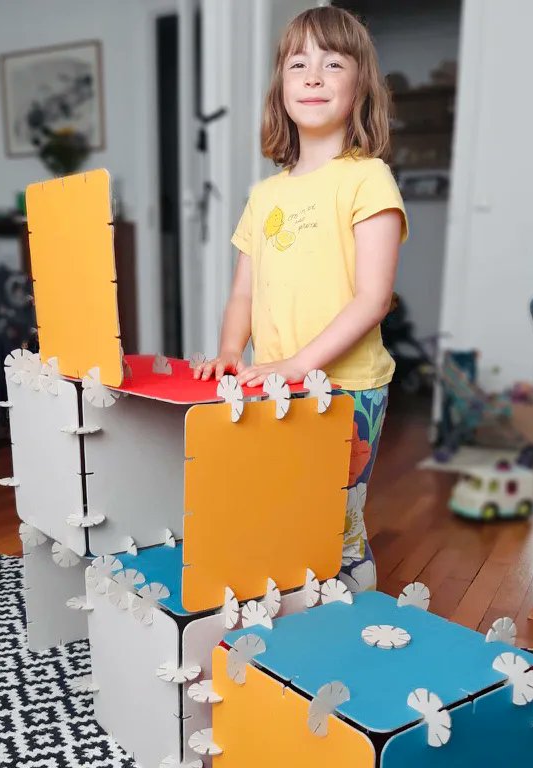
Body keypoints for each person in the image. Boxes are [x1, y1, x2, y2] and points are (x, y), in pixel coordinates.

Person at [193, 6, 408, 592]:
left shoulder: (368, 179)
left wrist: (296, 364)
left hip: (346, 388)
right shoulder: (264, 196)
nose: (313, 76)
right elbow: (244, 289)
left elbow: (373, 299)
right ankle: (290, 622)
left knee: (335, 521)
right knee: (279, 505)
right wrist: (231, 351)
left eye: (332, 62)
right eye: (298, 63)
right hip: (272, 383)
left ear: (359, 85)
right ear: (281, 87)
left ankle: (352, 620)